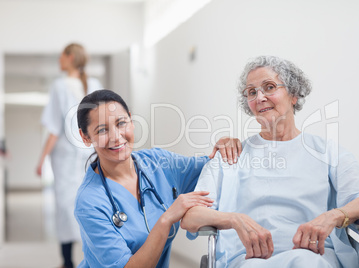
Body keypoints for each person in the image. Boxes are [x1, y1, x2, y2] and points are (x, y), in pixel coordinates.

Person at [181, 55, 359, 268]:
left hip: (315, 256)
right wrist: (234, 220)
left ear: (294, 94)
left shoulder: (328, 153)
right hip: (248, 259)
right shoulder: (230, 156)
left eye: (269, 87)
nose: (259, 97)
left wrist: (333, 216)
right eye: (251, 92)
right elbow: (191, 217)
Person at [74, 89, 241, 268]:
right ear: (85, 137)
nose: (116, 137)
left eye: (121, 123)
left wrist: (228, 144)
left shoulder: (159, 163)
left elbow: (212, 167)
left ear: (131, 120)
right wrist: (166, 218)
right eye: (102, 130)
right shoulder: (89, 202)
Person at [36, 43, 102, 268]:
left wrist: (41, 159)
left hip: (66, 157)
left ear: (70, 57)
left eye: (61, 56)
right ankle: (92, 260)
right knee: (90, 206)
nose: (58, 60)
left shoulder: (59, 86)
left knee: (66, 210)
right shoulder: (94, 84)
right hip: (91, 155)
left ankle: (67, 262)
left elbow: (54, 127)